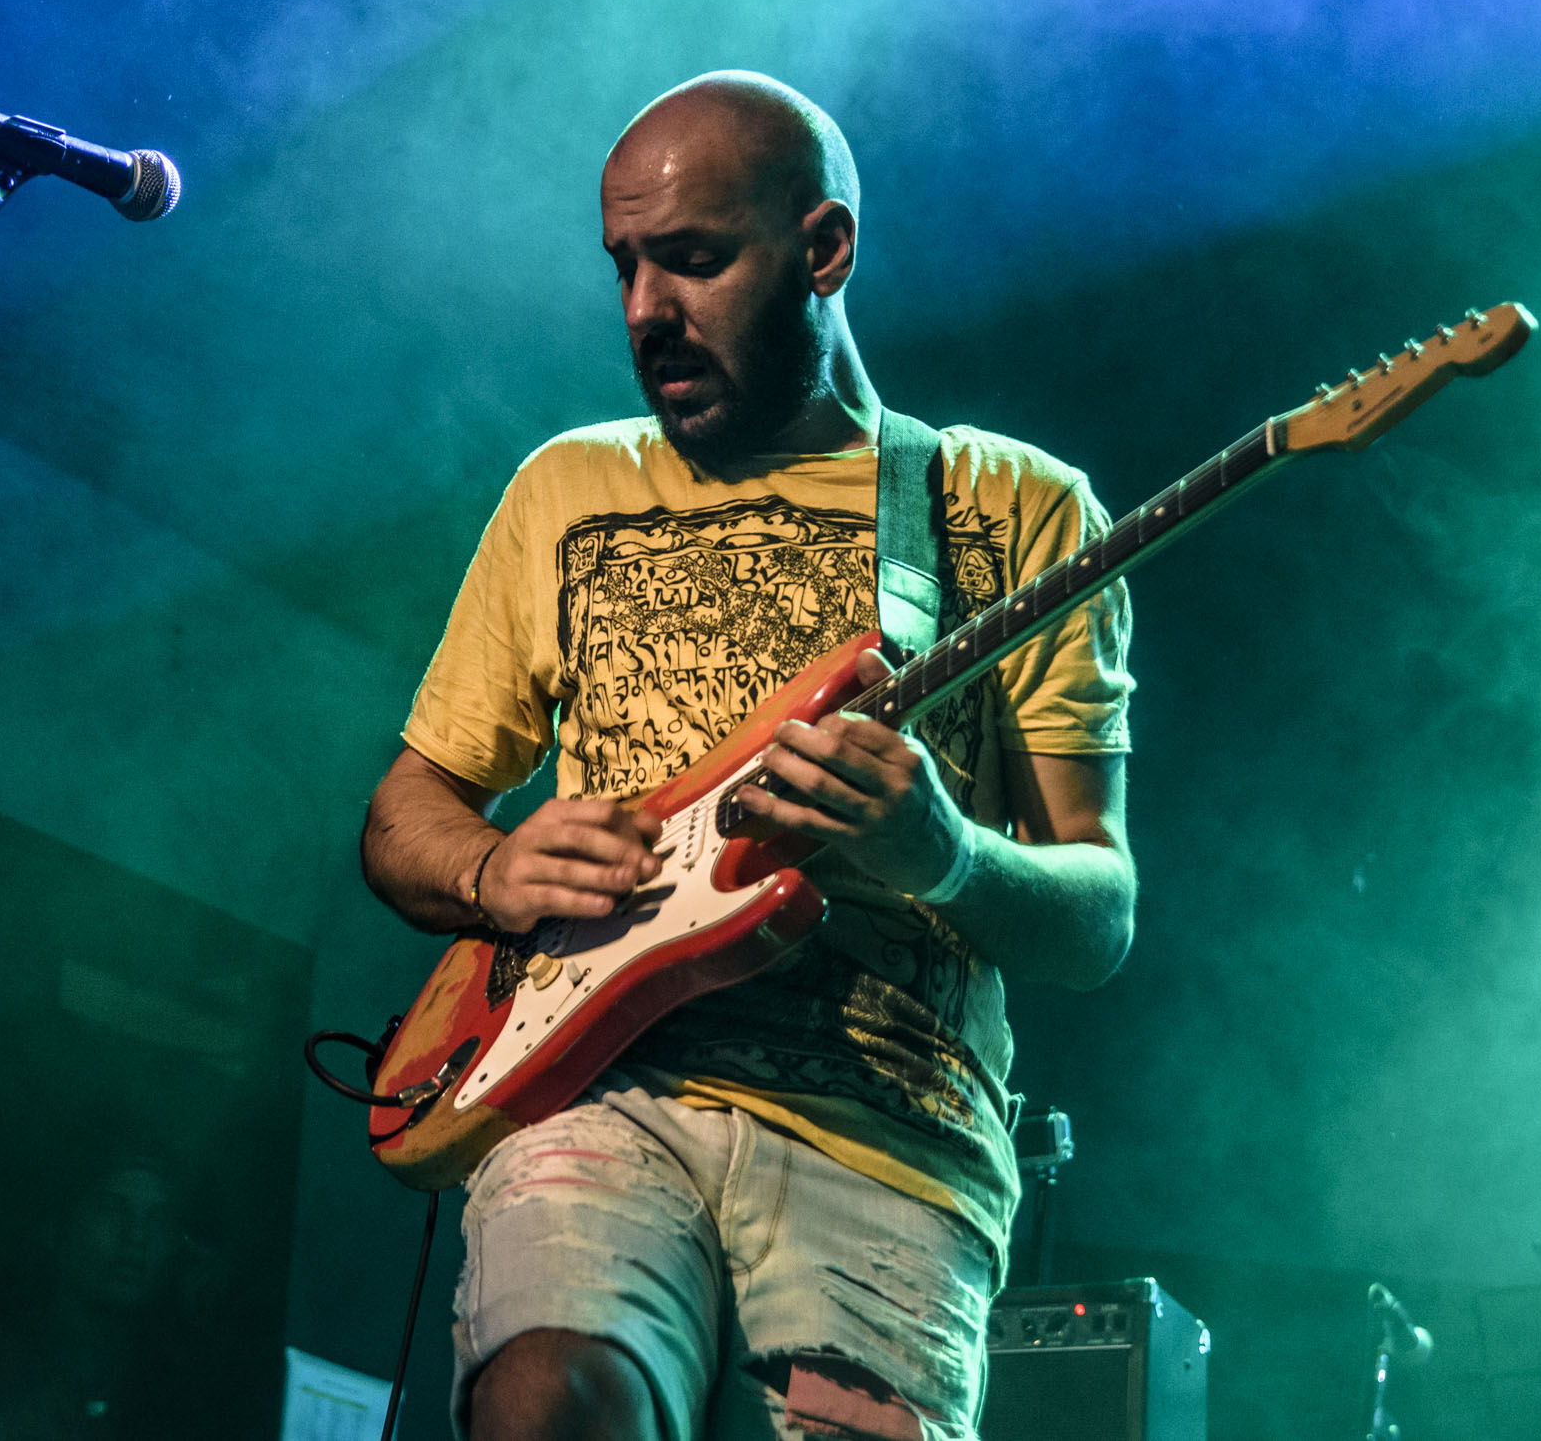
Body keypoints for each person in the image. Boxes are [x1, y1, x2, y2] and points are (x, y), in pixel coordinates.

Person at [360, 70, 1136, 1441]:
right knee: (551, 1403)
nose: (644, 310)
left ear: (822, 249)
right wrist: (490, 868)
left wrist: (947, 855)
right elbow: (403, 813)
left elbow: (1099, 914)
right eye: (624, 265)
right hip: (596, 1092)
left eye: (694, 260)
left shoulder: (1012, 505)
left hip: (891, 1137)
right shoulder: (567, 488)